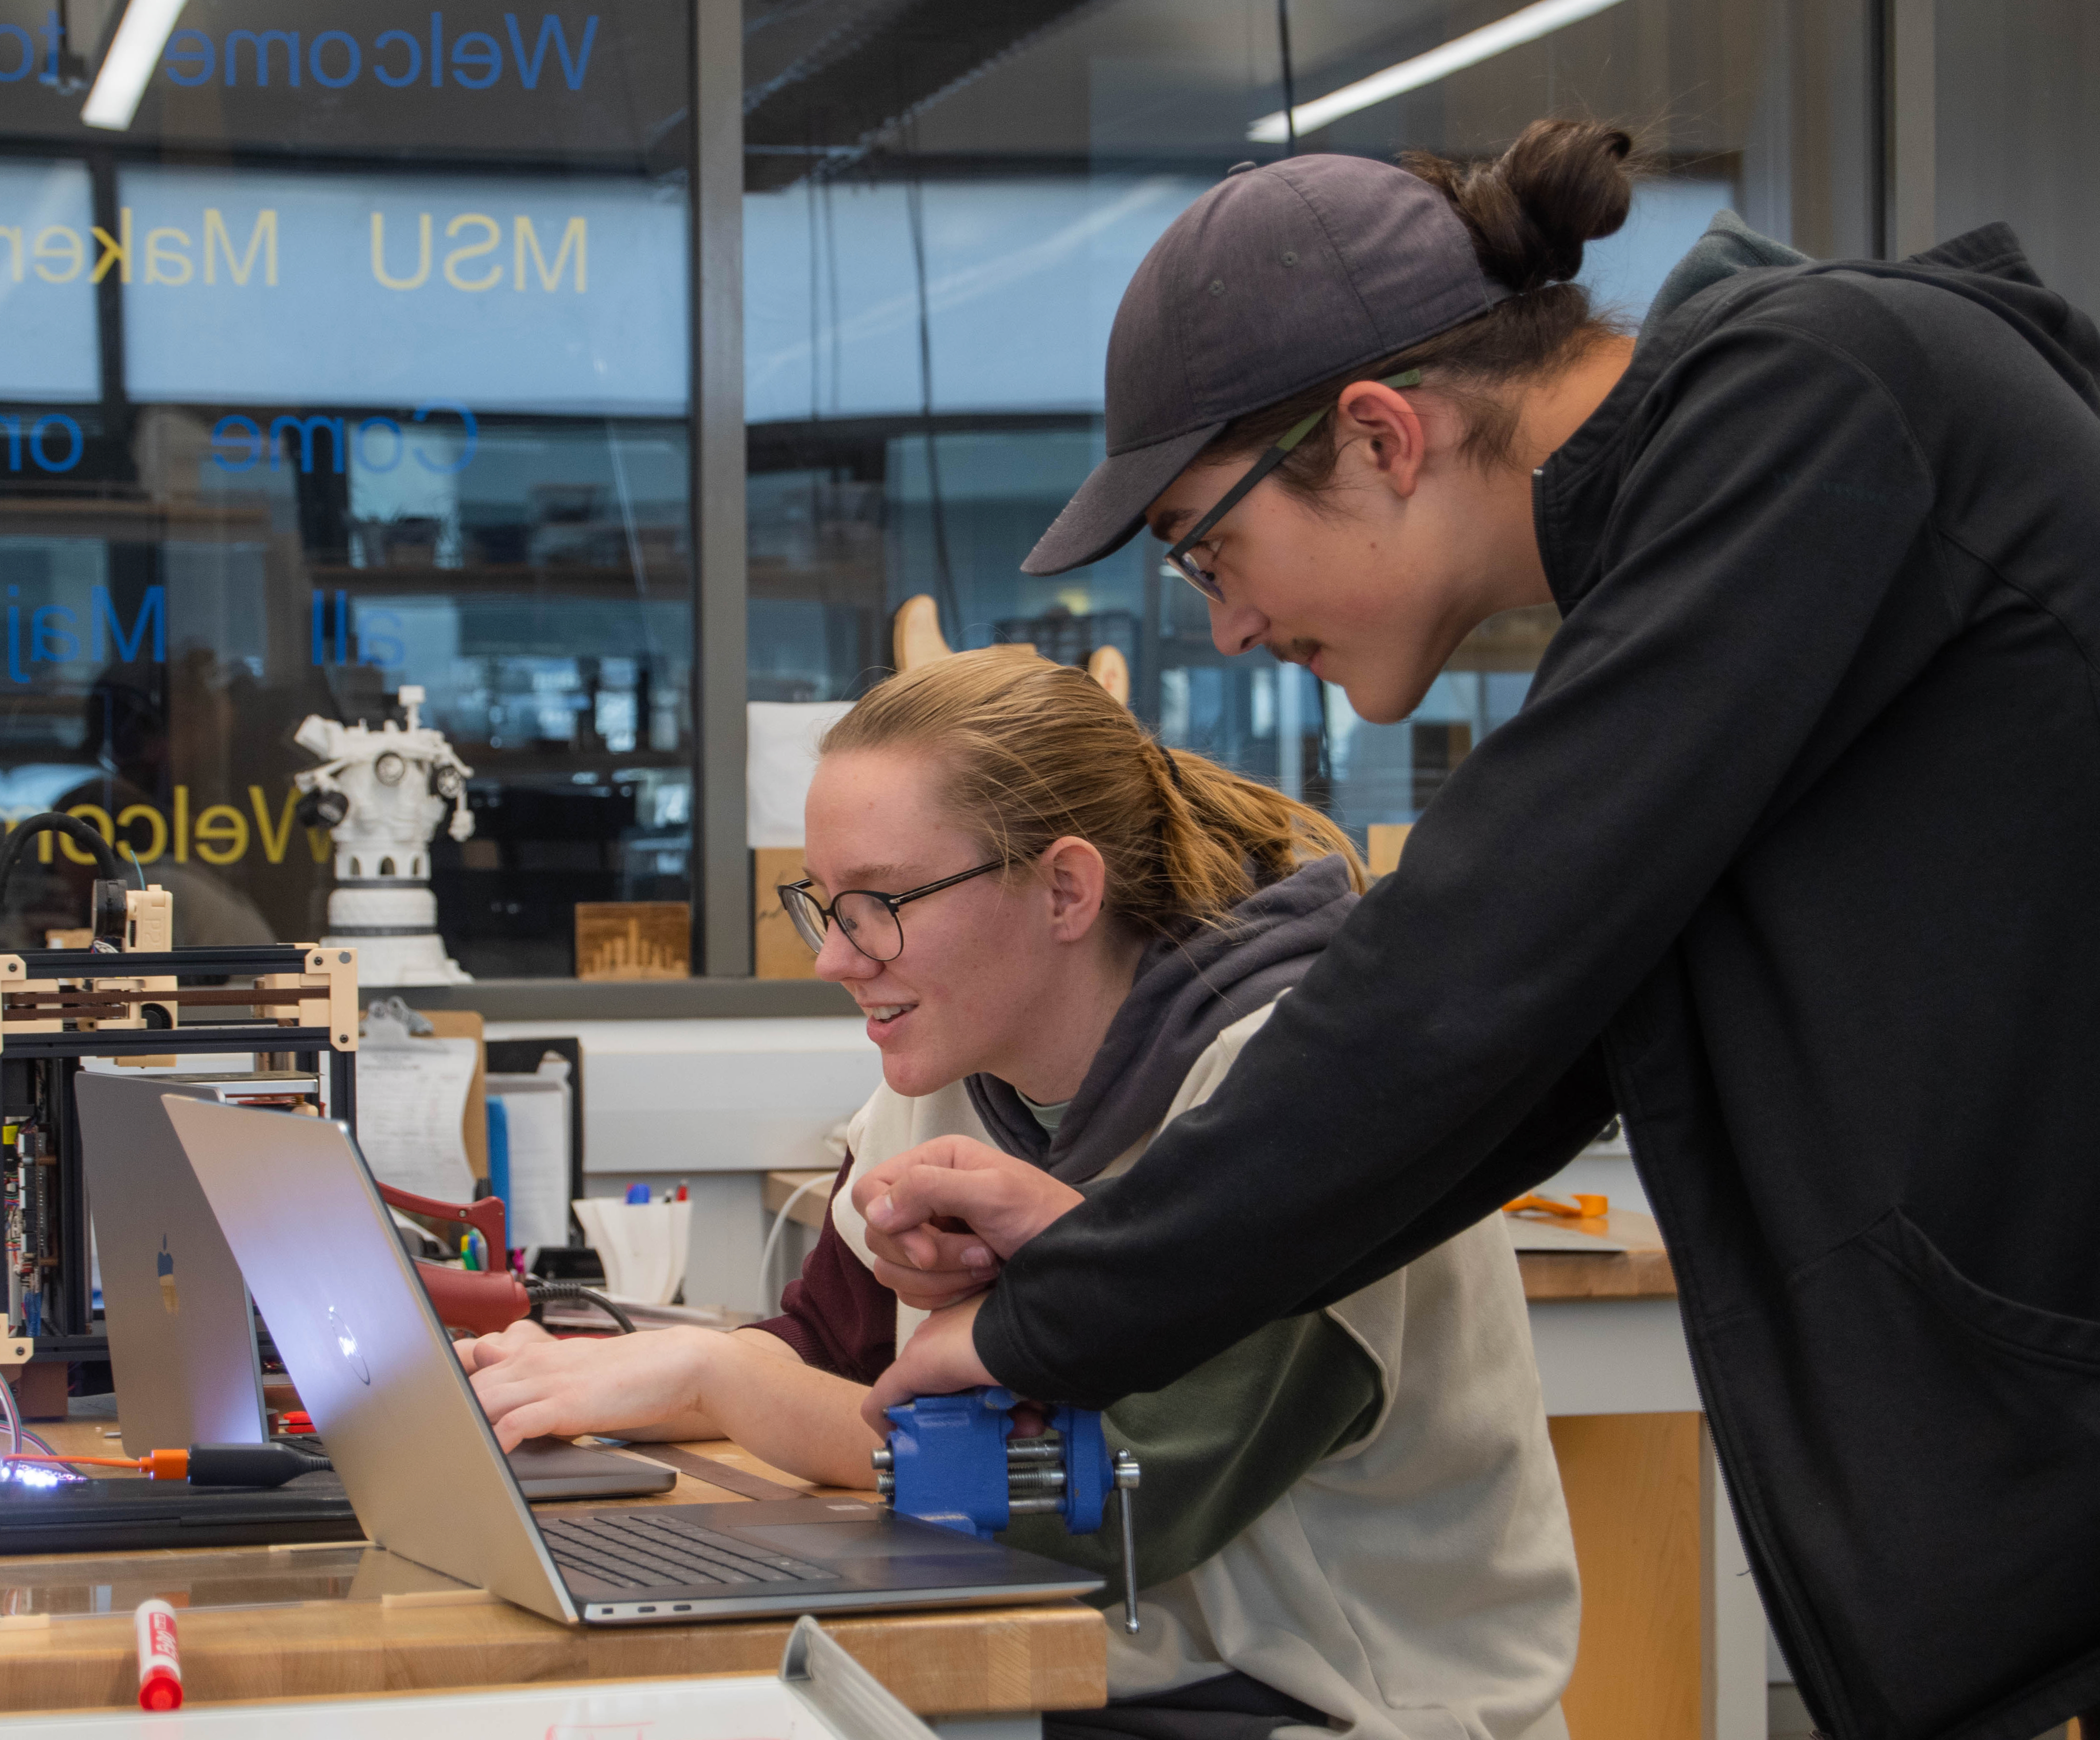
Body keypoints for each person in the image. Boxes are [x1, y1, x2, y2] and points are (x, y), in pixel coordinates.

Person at [845, 121, 2100, 1740]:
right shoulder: (1741, 495)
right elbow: (1504, 1073)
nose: (1226, 626)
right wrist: (1088, 1261)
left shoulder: (1804, 405)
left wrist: (1044, 1321)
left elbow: (1457, 980)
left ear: (1376, 436)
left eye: (1209, 551)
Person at [459, 647, 1580, 1740]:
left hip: (1320, 1704)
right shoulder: (950, 1067)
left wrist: (719, 1373)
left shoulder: (1295, 1090)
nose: (838, 958)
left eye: (883, 902)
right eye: (825, 904)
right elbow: (822, 1350)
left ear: (1064, 889)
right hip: (1085, 1674)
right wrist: (590, 1381)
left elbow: (1100, 1508)